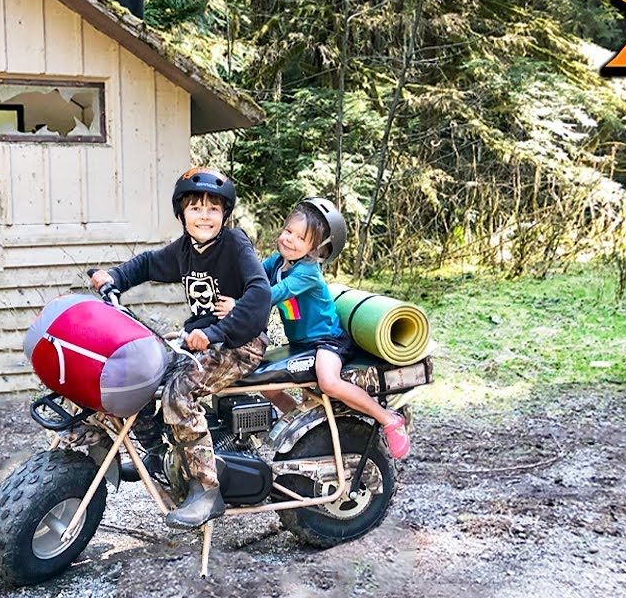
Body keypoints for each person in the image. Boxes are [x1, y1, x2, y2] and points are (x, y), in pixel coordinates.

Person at [90, 167, 271, 529]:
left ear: (224, 215)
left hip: (241, 342)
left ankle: (207, 489)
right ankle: (159, 455)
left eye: (213, 209)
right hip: (203, 340)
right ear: (181, 214)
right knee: (140, 374)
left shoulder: (234, 244)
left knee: (178, 393)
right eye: (195, 208)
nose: (204, 215)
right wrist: (115, 276)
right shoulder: (186, 250)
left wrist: (219, 331)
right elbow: (148, 264)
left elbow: (260, 294)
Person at [217, 197, 409, 459]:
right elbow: (252, 281)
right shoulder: (276, 262)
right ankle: (305, 427)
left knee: (328, 381)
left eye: (300, 238)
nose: (289, 240)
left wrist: (237, 306)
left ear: (315, 248)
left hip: (327, 340)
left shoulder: (307, 272)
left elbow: (272, 294)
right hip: (300, 343)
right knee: (268, 385)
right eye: (288, 231)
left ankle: (388, 419)